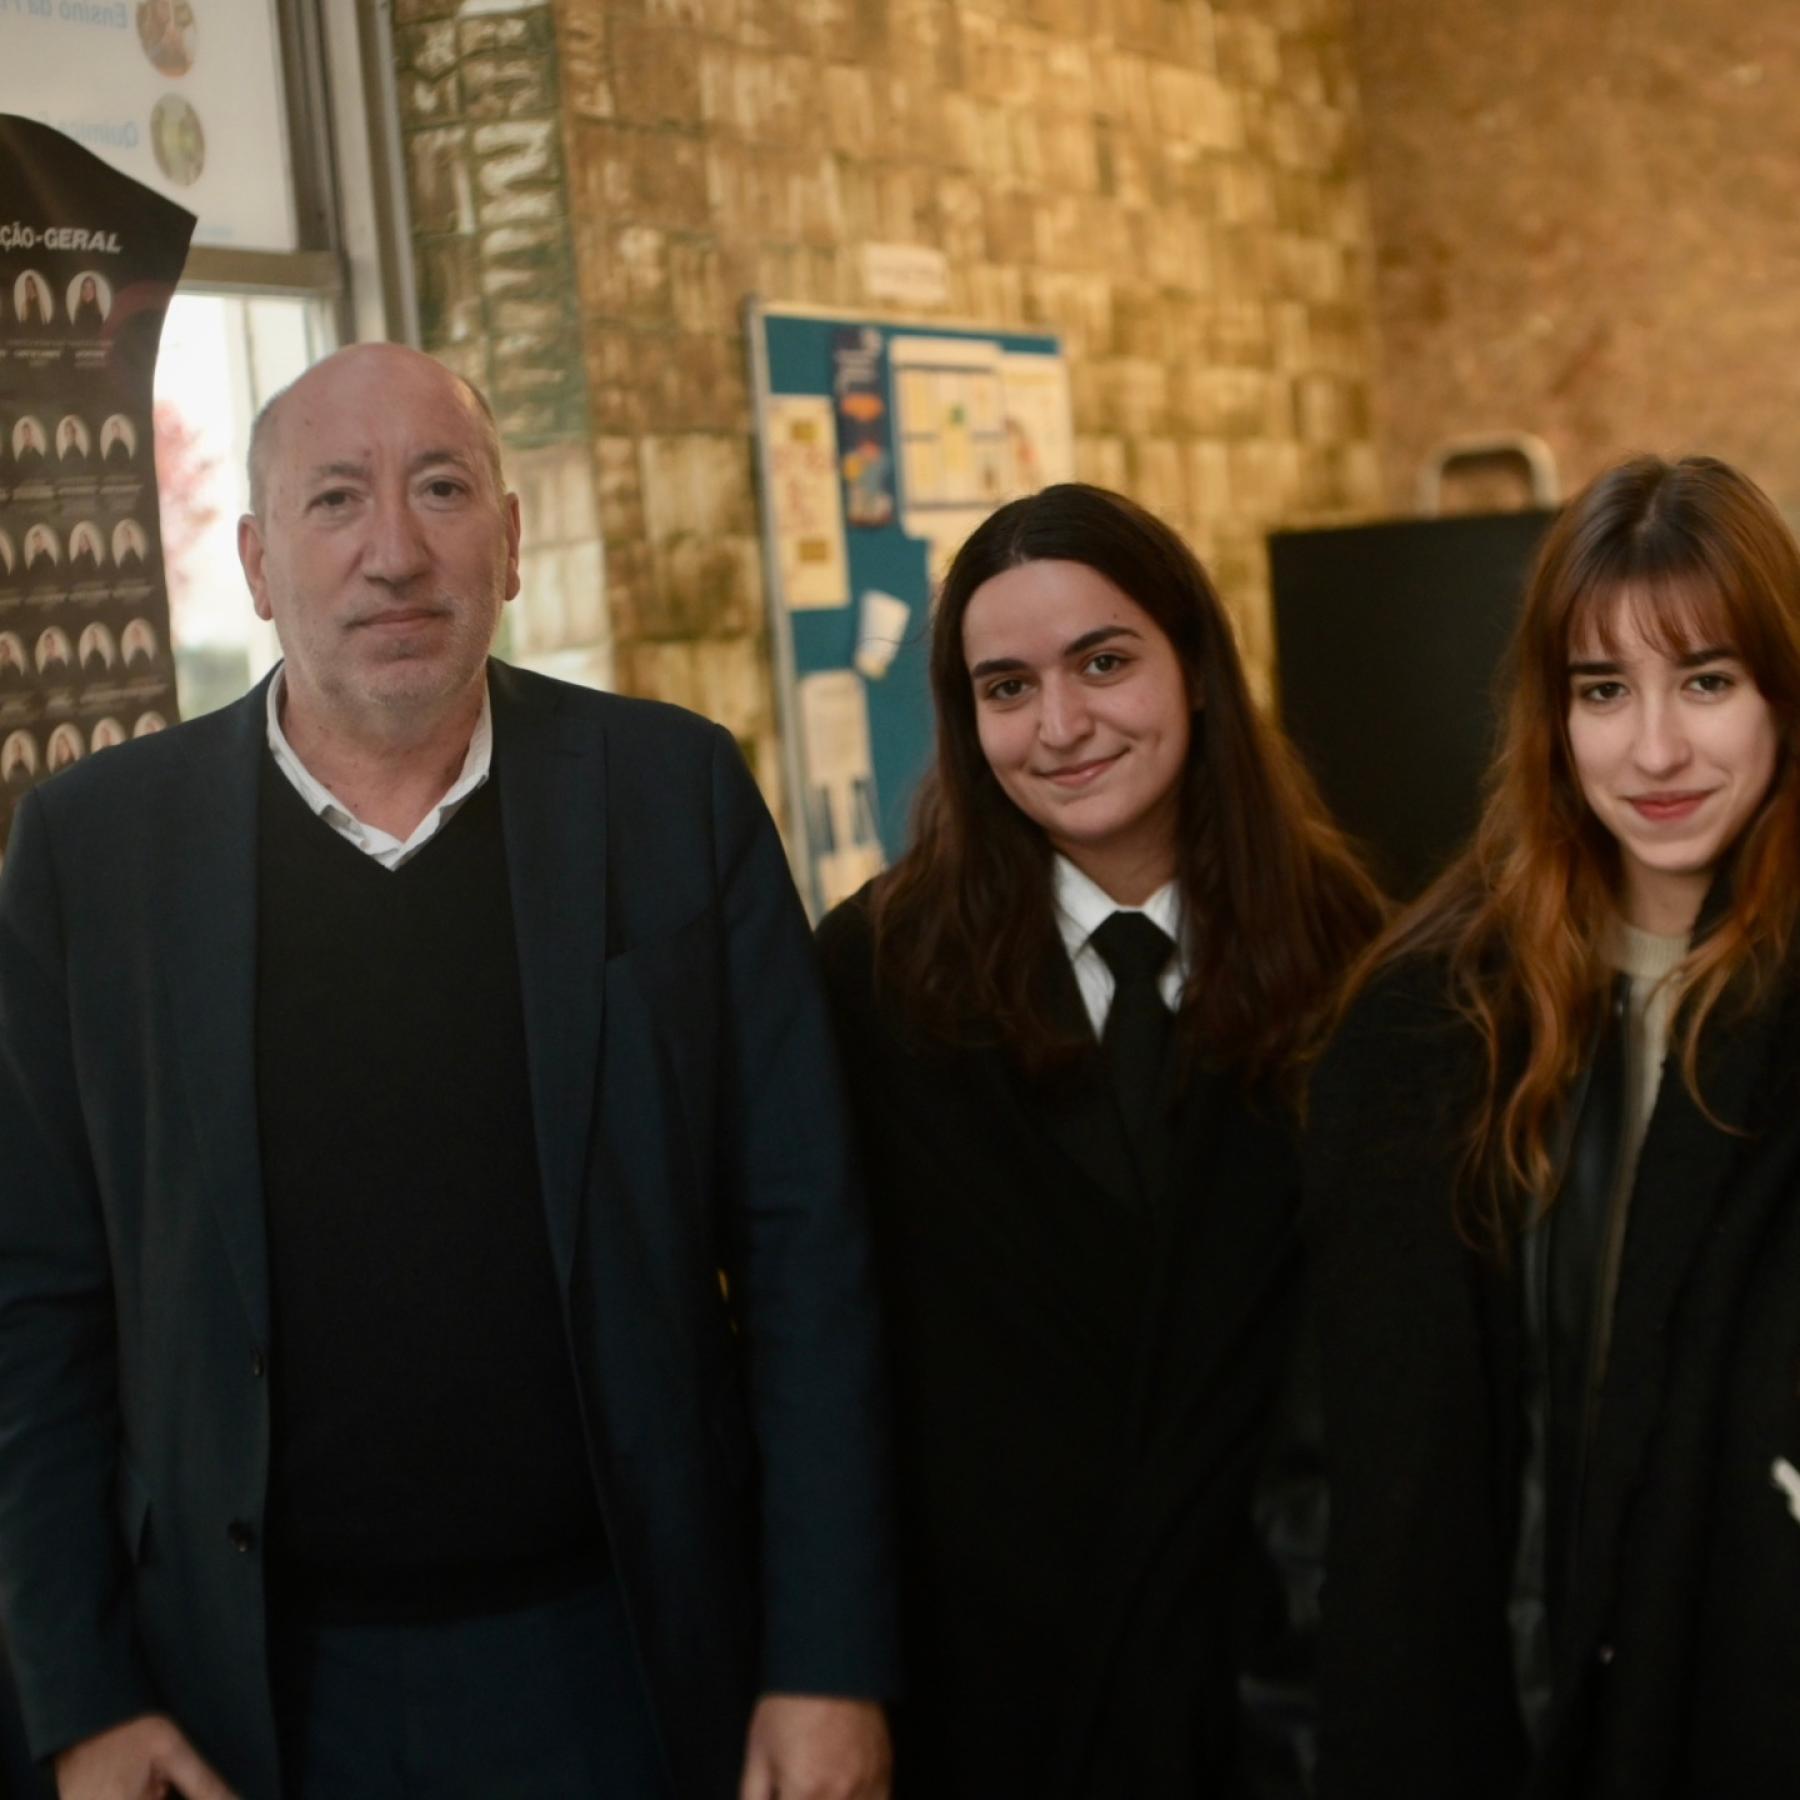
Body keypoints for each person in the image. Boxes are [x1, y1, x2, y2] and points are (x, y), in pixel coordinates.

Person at [0, 342, 897, 1800]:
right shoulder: (92, 854)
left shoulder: (672, 796)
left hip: (626, 1655)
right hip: (244, 1692)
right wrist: (82, 1698)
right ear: (256, 564)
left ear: (513, 539)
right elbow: (31, 1303)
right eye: (335, 500)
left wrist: (831, 1658)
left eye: (440, 488)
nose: (395, 552)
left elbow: (809, 1248)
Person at [815, 483, 1382, 1798]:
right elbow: (825, 1352)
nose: (1061, 726)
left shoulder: (1359, 957)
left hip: (1281, 1691)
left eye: (1105, 663)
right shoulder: (875, 977)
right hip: (995, 1695)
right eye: (1007, 688)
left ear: (1197, 665)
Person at [1306, 455, 1800, 1800]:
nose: (1655, 750)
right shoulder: (1433, 1018)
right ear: (1551, 714)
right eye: (1603, 690)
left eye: (1707, 680)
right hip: (1489, 1718)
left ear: (1782, 693)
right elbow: (1352, 1463)